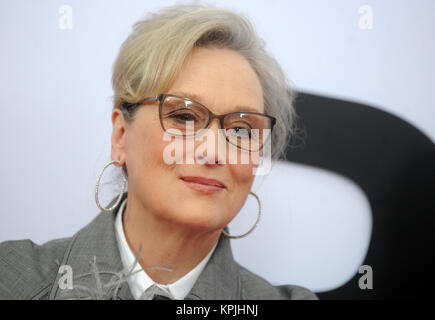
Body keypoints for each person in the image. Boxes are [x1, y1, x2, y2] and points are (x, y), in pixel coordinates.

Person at [0, 4, 317, 300]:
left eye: (240, 130)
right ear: (121, 136)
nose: (213, 152)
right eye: (184, 116)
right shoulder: (11, 279)